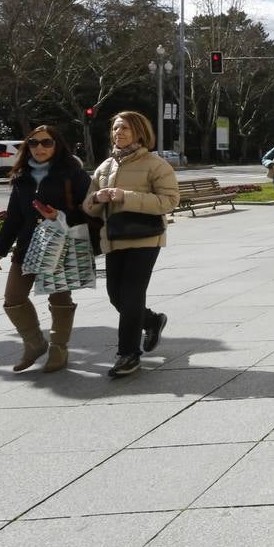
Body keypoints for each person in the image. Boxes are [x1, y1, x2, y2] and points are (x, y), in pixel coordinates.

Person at [83, 111, 179, 378]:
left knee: (132, 294)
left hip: (146, 238)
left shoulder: (155, 164)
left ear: (139, 132)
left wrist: (125, 196)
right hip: (114, 239)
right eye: (115, 128)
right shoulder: (104, 167)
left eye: (125, 128)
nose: (119, 133)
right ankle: (152, 320)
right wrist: (97, 199)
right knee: (116, 295)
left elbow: (169, 201)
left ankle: (128, 354)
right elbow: (88, 206)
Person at [0, 125, 90, 373]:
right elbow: (14, 217)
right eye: (33, 143)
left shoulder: (72, 173)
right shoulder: (22, 176)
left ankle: (59, 349)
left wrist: (59, 214)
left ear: (57, 145)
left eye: (46, 143)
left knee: (59, 298)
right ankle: (34, 344)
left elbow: (90, 209)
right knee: (13, 299)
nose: (40, 148)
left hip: (61, 244)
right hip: (27, 245)